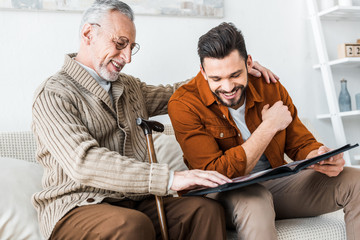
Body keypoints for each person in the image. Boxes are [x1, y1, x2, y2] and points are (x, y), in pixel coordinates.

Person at [31, 1, 278, 239]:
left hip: (134, 201)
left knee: (204, 211)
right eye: (120, 43)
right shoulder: (53, 94)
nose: (127, 57)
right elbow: (83, 162)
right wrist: (169, 178)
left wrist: (231, 75)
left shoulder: (128, 87)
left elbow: (179, 94)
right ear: (88, 34)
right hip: (76, 208)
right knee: (130, 225)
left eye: (131, 47)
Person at [168, 22, 360, 240]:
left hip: (273, 185)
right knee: (256, 199)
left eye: (235, 75)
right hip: (218, 193)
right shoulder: (184, 103)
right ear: (203, 72)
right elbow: (216, 173)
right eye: (216, 79)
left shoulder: (268, 85)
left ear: (249, 63)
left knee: (356, 181)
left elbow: (300, 142)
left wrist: (319, 156)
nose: (228, 87)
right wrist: (268, 127)